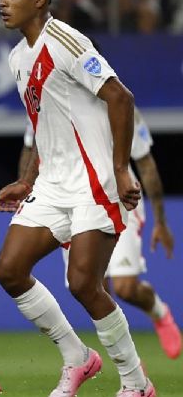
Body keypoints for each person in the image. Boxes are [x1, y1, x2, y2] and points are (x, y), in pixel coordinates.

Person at [0, 0, 156, 397]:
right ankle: (77, 356)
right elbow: (48, 122)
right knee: (9, 270)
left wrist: (121, 170)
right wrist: (27, 179)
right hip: (53, 184)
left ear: (39, 0)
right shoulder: (17, 57)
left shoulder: (65, 39)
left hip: (95, 181)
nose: (3, 2)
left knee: (83, 282)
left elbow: (120, 97)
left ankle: (136, 384)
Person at [20, 111, 180, 359]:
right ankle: (133, 370)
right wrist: (26, 190)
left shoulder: (112, 100)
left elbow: (145, 163)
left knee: (126, 288)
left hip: (117, 199)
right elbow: (31, 150)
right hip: (70, 201)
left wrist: (160, 221)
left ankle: (159, 312)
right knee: (93, 290)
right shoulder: (44, 99)